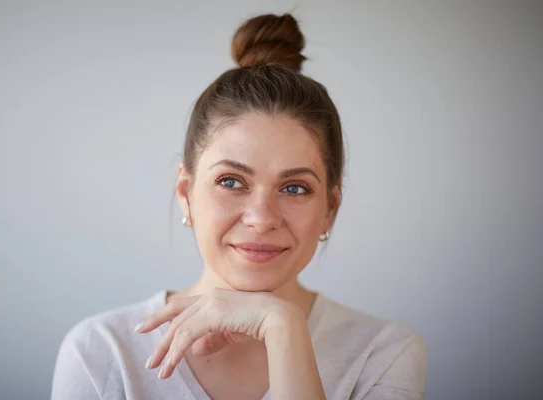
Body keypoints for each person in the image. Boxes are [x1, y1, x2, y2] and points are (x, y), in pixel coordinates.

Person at [51, 13, 427, 400]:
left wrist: (283, 329)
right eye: (231, 182)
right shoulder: (101, 353)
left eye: (295, 188)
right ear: (185, 192)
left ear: (330, 207)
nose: (261, 218)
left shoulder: (382, 355)